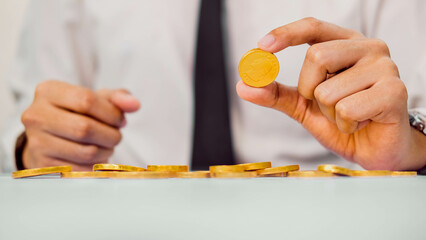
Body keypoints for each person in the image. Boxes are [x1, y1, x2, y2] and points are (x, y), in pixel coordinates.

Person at [1, 0, 425, 172]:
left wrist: (412, 146)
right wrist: (30, 150)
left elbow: (416, 115)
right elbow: (25, 120)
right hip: (124, 223)